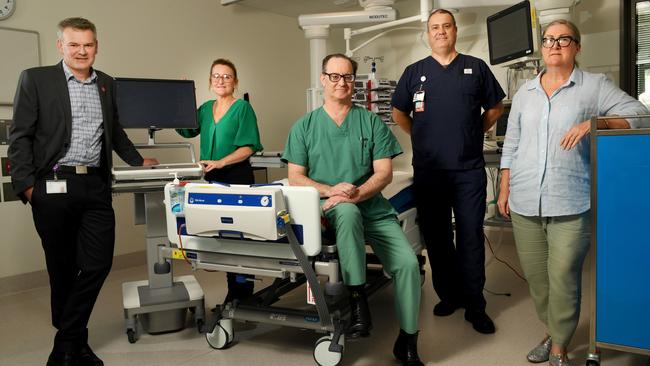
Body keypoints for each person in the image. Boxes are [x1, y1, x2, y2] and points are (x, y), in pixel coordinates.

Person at [8, 17, 158, 366]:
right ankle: (76, 346)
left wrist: (137, 161)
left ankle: (65, 342)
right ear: (61, 45)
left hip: (95, 185)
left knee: (96, 264)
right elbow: (19, 137)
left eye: (87, 44)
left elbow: (114, 130)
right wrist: (29, 188)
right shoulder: (36, 79)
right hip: (53, 185)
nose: (81, 51)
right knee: (62, 269)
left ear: (96, 47)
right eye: (74, 44)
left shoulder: (106, 84)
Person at [497, 20, 648, 366]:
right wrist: (504, 188)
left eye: (563, 39)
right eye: (549, 39)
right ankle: (552, 330)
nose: (554, 45)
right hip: (524, 201)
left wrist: (593, 123)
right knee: (537, 280)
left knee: (563, 275)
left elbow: (640, 115)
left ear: (577, 47)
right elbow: (512, 145)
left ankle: (560, 346)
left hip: (570, 200)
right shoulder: (525, 93)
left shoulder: (594, 86)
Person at [283, 53, 424, 366]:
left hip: (372, 206)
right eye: (334, 76)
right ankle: (358, 301)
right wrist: (329, 191)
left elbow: (384, 173)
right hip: (329, 208)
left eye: (347, 77)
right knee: (345, 212)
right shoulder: (304, 126)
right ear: (322, 79)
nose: (341, 83)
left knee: (408, 265)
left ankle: (408, 341)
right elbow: (295, 176)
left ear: (354, 83)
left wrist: (357, 193)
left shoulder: (370, 122)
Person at [391, 8, 505, 334]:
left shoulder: (476, 68)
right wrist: (421, 135)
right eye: (434, 27)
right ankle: (449, 296)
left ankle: (475, 305)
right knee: (438, 238)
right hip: (429, 171)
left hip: (468, 171)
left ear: (455, 31)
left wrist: (474, 131)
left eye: (446, 26)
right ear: (428, 34)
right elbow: (399, 111)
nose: (440, 31)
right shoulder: (414, 72)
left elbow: (495, 106)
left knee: (470, 237)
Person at [176, 58, 263, 304]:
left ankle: (241, 295)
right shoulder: (205, 108)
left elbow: (248, 147)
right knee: (222, 237)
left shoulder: (242, 108)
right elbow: (186, 130)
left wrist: (223, 162)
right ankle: (235, 295)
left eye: (226, 76)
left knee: (239, 237)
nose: (221, 80)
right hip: (210, 177)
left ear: (235, 81)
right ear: (209, 81)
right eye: (216, 76)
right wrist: (183, 99)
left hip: (236, 176)